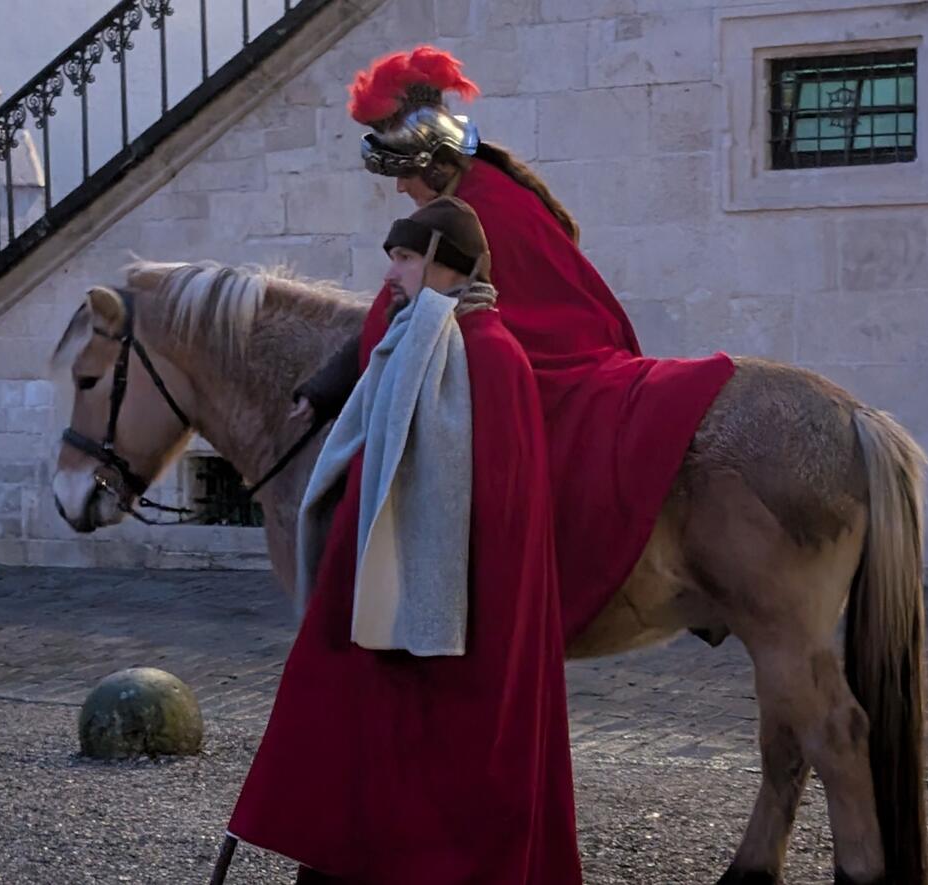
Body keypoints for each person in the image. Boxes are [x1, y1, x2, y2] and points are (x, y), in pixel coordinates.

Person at [294, 46, 736, 641]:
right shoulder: (477, 194)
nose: (399, 188)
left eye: (404, 171)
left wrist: (331, 388)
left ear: (434, 162)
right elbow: (400, 315)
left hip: (543, 357)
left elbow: (409, 316)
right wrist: (326, 387)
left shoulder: (473, 214)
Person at [228, 197, 583, 884]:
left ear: (450, 265)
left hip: (459, 624)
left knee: (439, 771)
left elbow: (496, 515)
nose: (391, 273)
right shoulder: (409, 342)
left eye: (407, 257)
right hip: (380, 596)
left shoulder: (490, 356)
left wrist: (422, 589)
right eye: (393, 256)